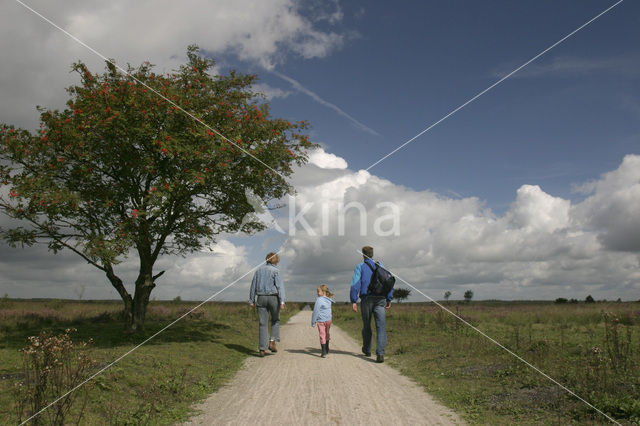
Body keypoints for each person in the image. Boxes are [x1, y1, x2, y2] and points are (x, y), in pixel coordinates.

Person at [350, 246, 393, 363]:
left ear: (363, 255)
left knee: (367, 325)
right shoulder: (381, 266)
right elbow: (388, 281)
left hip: (367, 299)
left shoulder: (360, 267)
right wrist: (389, 298)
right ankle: (380, 354)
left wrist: (354, 300)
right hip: (381, 299)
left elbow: (355, 284)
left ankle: (367, 349)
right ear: (372, 254)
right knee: (381, 327)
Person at [249, 252, 286, 357]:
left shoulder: (258, 271)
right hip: (273, 298)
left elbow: (253, 286)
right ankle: (272, 341)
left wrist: (251, 300)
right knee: (275, 320)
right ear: (276, 261)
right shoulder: (276, 271)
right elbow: (280, 287)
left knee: (262, 324)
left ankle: (262, 349)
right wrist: (282, 301)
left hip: (261, 298)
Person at [311, 284, 335, 358]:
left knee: (322, 334)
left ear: (323, 292)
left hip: (321, 320)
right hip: (328, 320)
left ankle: (324, 351)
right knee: (327, 333)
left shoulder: (319, 300)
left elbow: (316, 311)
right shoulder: (329, 299)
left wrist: (313, 321)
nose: (317, 293)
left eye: (318, 291)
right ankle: (327, 348)